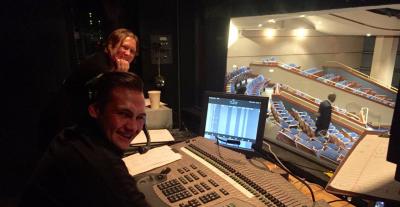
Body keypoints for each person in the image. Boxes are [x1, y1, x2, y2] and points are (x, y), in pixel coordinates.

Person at [20, 72, 149, 207]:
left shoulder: (74, 136)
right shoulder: (99, 163)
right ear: (95, 110)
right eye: (123, 114)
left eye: (140, 117)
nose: (133, 127)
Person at [37, 28, 139, 154]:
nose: (128, 53)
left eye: (132, 51)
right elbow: (111, 99)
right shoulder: (99, 65)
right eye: (124, 47)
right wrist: (120, 76)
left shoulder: (109, 64)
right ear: (111, 44)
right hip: (64, 124)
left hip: (75, 123)